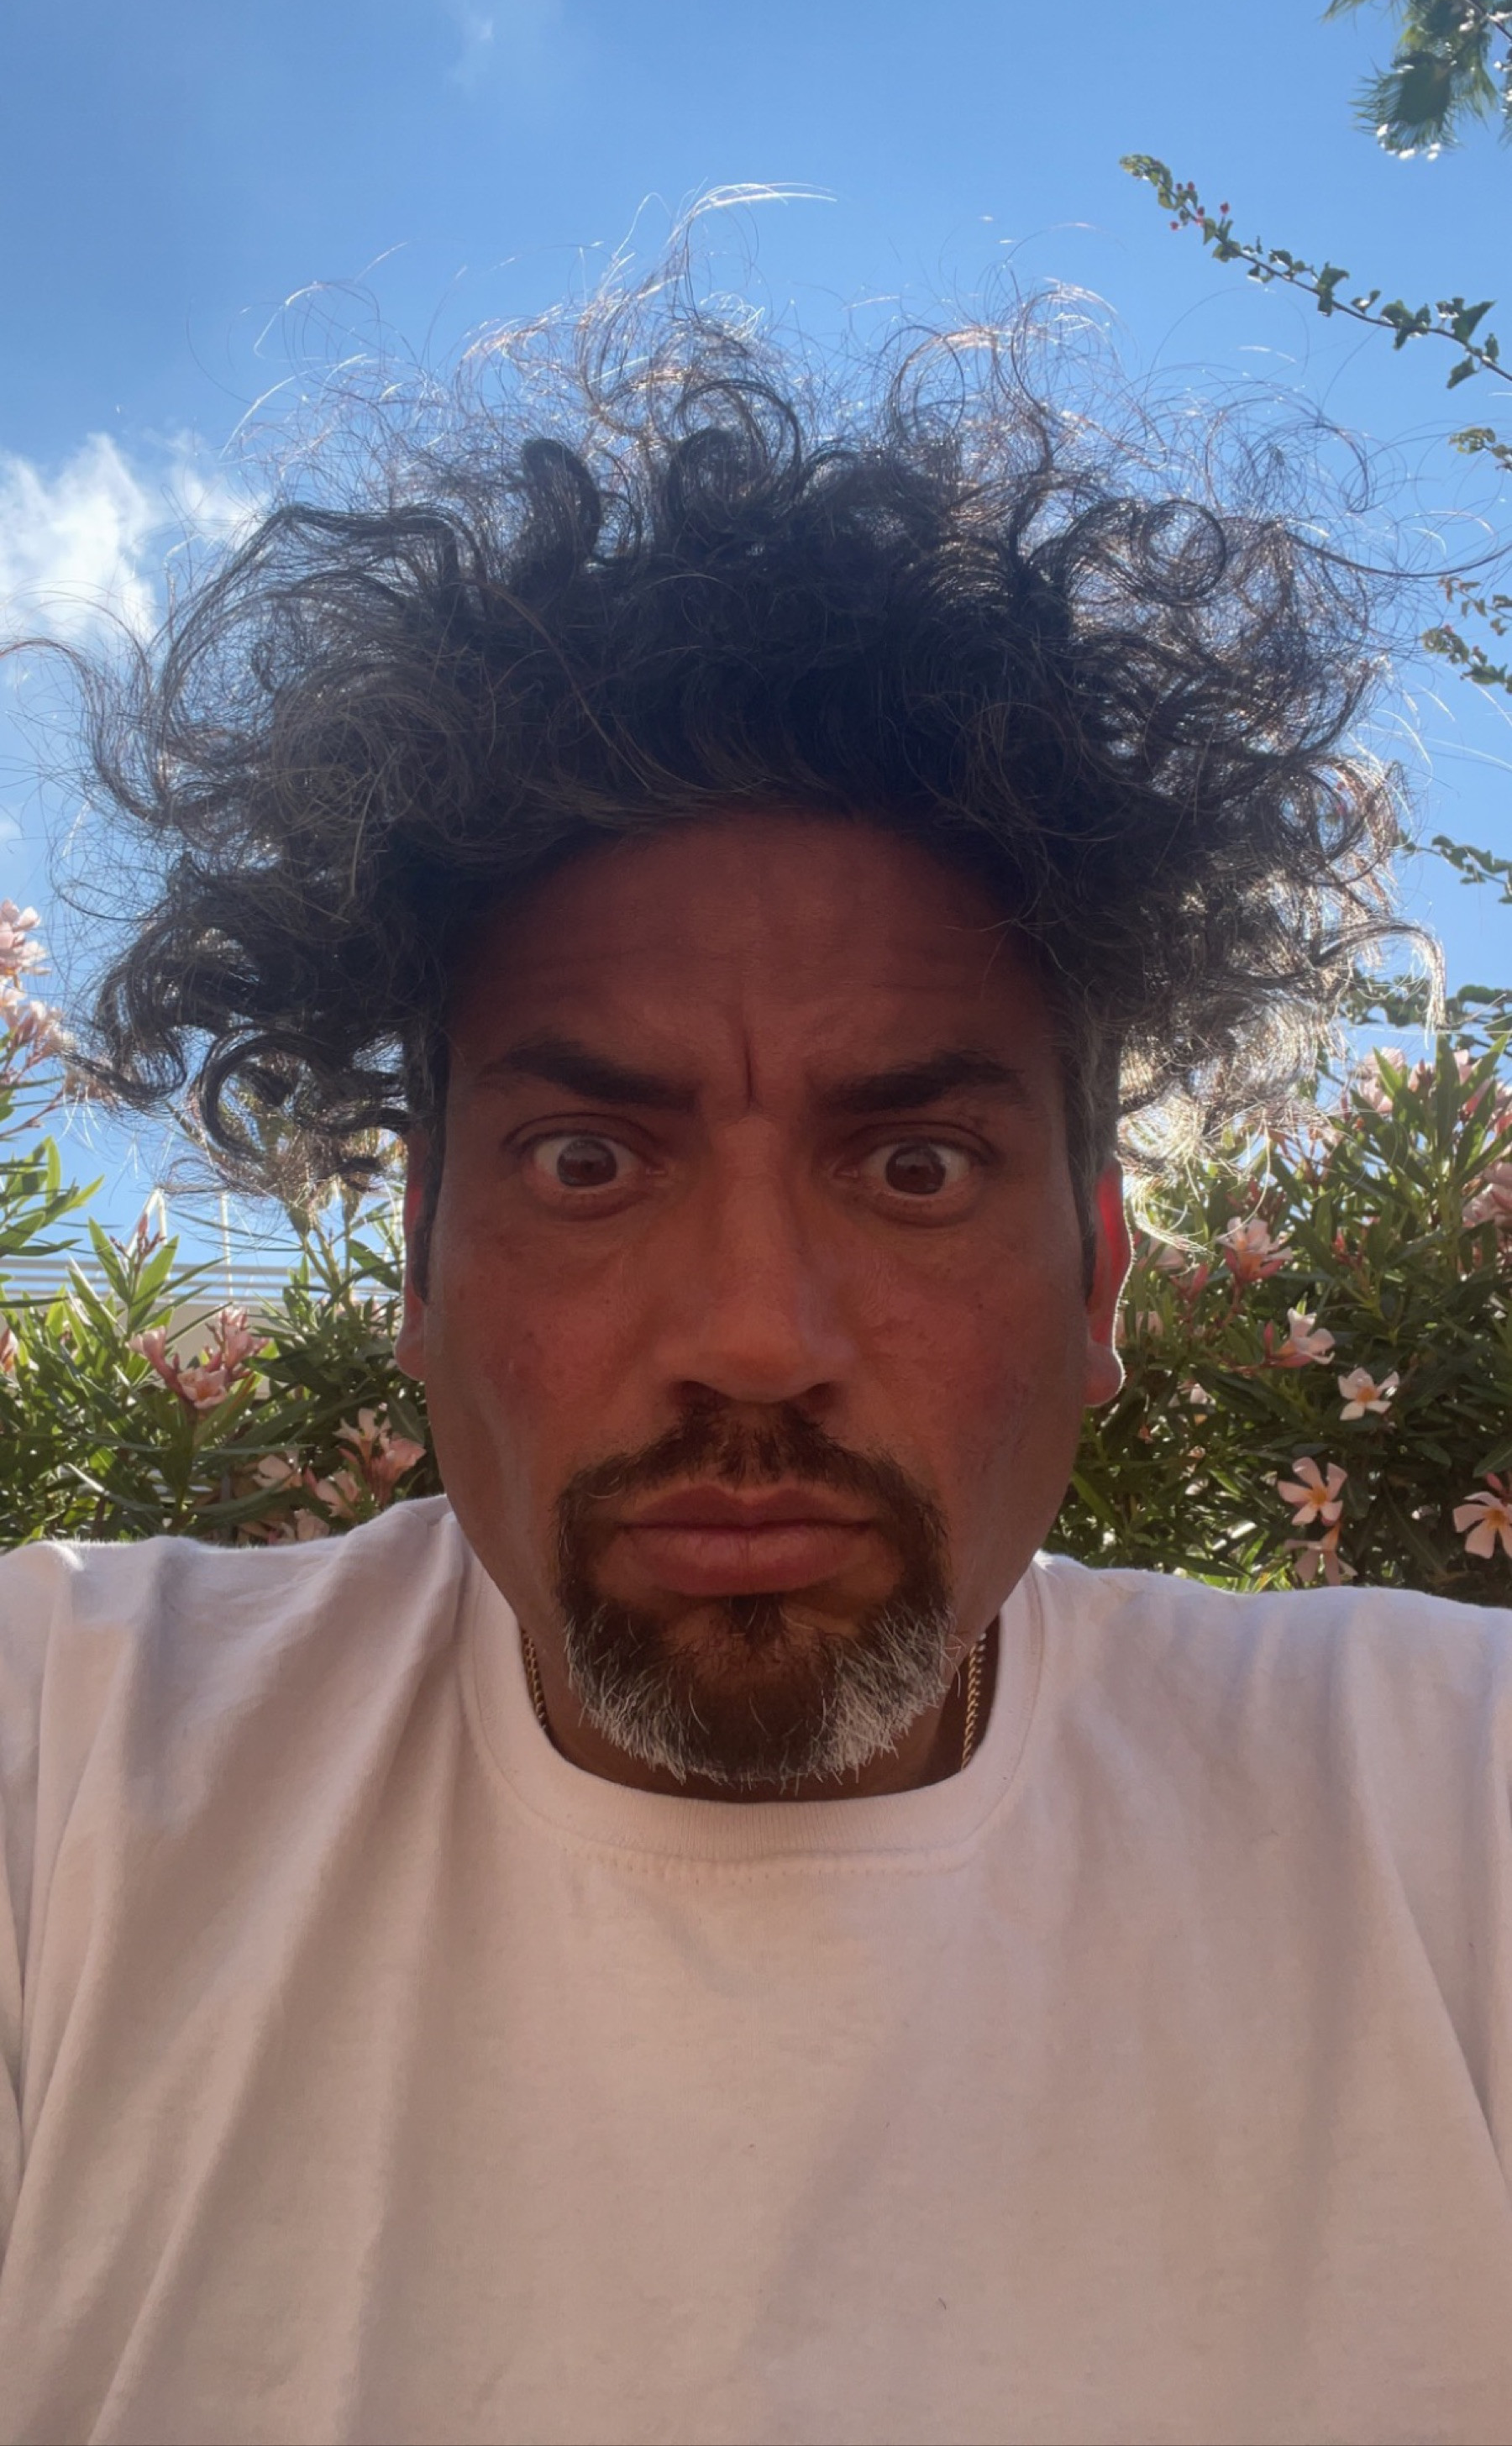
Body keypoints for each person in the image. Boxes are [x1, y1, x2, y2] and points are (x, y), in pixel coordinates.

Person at [1, 275, 1509, 2446]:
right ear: (415, 1258)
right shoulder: (67, 1777)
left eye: (913, 1163)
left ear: (1097, 1277)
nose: (752, 1338)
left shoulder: (1451, 1813)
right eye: (589, 1158)